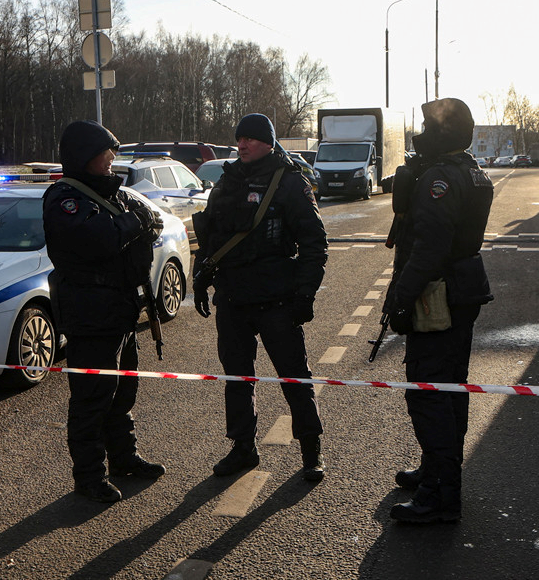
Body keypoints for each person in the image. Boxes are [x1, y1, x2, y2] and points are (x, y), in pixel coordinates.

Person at [191, 113, 328, 482]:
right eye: (239, 139)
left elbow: (314, 244)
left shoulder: (289, 182)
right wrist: (200, 279)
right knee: (237, 378)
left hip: (277, 300)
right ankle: (242, 448)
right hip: (233, 299)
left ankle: (311, 450)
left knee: (294, 377)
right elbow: (210, 238)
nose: (243, 144)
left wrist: (305, 294)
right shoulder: (228, 181)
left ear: (268, 142)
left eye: (251, 139)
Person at [41, 120, 167, 504]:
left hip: (120, 310)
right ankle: (89, 477)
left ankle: (124, 459)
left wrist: (137, 222)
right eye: (104, 153)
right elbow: (100, 239)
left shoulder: (111, 193)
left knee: (123, 390)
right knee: (92, 398)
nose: (112, 159)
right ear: (84, 157)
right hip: (90, 314)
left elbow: (153, 222)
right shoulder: (66, 199)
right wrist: (132, 223)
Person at [382, 98, 494, 523]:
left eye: (429, 128)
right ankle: (438, 471)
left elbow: (428, 249)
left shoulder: (441, 180)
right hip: (460, 293)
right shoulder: (470, 170)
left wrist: (399, 297)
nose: (420, 135)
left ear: (444, 134)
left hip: (439, 298)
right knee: (450, 391)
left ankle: (440, 494)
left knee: (429, 395)